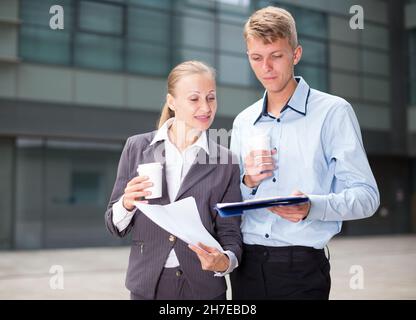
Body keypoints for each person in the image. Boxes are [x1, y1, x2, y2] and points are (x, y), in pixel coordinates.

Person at [229, 6, 380, 300]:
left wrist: (312, 206)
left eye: (276, 56)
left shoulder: (333, 113)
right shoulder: (243, 121)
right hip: (246, 268)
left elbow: (367, 197)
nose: (266, 68)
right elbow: (232, 198)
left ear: (296, 54)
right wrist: (247, 182)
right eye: (257, 58)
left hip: (301, 270)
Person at [105, 61, 242, 300]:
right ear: (172, 102)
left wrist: (225, 262)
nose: (206, 107)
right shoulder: (137, 147)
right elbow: (114, 226)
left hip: (203, 288)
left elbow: (231, 233)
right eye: (194, 99)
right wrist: (126, 203)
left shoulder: (226, 161)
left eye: (211, 98)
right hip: (147, 285)